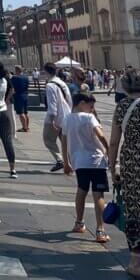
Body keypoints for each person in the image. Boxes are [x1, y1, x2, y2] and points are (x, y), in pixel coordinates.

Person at [61, 92, 110, 243]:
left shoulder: (67, 118)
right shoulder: (89, 118)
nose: (92, 109)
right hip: (96, 161)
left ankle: (79, 223)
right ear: (82, 103)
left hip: (79, 162)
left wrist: (66, 162)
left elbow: (63, 142)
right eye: (91, 105)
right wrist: (109, 150)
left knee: (81, 191)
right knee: (98, 195)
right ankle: (100, 230)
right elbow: (100, 135)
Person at [110, 69, 140, 275]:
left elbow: (114, 142)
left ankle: (136, 263)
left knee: (135, 209)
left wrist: (111, 166)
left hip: (131, 164)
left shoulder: (122, 107)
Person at [43, 62, 73, 173]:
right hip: (66, 116)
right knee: (65, 141)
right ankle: (70, 162)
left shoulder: (50, 85)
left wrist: (52, 121)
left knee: (48, 140)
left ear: (46, 71)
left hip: (55, 118)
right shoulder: (62, 83)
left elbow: (52, 105)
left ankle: (60, 160)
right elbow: (69, 100)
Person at [11, 65, 31, 133]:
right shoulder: (26, 77)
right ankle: (27, 126)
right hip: (25, 95)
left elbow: (11, 86)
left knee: (21, 113)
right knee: (25, 112)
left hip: (18, 96)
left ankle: (24, 128)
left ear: (16, 70)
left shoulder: (15, 77)